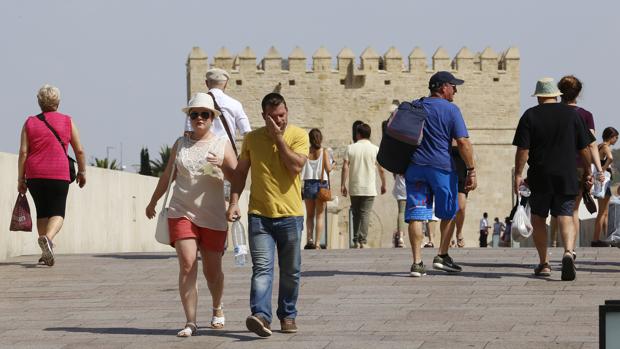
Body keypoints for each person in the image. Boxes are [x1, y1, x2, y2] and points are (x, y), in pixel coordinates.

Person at [146, 93, 237, 336]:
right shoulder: (180, 144)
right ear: (189, 117)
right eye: (194, 114)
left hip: (213, 215)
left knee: (212, 271)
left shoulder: (222, 144)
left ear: (211, 118)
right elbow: (167, 176)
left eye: (204, 114)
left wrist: (223, 165)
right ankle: (190, 321)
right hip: (181, 211)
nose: (199, 118)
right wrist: (153, 201)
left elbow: (237, 177)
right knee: (187, 265)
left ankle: (217, 307)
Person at [226, 92, 309, 337]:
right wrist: (233, 202)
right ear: (263, 116)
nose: (278, 121)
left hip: (291, 215)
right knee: (262, 268)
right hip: (259, 215)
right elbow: (240, 173)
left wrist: (279, 139)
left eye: (282, 115)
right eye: (273, 117)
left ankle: (288, 315)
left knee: (291, 270)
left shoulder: (298, 135)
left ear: (287, 113)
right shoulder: (251, 139)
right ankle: (261, 315)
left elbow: (295, 166)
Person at [513, 77, 603, 281]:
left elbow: (523, 150)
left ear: (538, 97)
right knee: (565, 214)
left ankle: (544, 263)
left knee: (538, 217)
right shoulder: (573, 116)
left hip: (540, 175)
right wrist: (588, 172)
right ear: (556, 94)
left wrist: (519, 174)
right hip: (567, 173)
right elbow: (585, 148)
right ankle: (568, 252)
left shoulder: (530, 116)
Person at [405, 71, 477, 277]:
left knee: (416, 215)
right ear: (444, 87)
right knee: (449, 211)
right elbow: (462, 142)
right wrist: (471, 169)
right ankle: (442, 255)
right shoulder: (451, 110)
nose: (455, 90)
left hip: (416, 167)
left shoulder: (416, 105)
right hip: (442, 168)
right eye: (453, 86)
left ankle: (417, 263)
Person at [17, 84, 86, 266]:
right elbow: (79, 151)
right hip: (58, 173)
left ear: (39, 102)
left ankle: (45, 251)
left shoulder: (30, 122)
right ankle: (48, 239)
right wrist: (82, 171)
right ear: (58, 102)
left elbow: (23, 152)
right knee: (57, 212)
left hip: (35, 174)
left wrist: (20, 178)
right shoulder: (67, 121)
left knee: (42, 212)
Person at [557, 76, 603, 253]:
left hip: (554, 165)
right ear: (578, 93)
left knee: (556, 210)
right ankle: (570, 250)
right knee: (573, 210)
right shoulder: (585, 115)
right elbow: (591, 144)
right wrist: (596, 170)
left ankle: (547, 256)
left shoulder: (553, 112)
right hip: (577, 166)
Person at [341, 123, 387, 248]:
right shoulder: (375, 149)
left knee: (355, 213)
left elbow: (345, 167)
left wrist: (342, 185)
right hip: (369, 187)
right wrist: (384, 184)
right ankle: (363, 241)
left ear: (358, 134)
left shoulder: (350, 148)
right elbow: (381, 169)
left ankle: (355, 240)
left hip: (354, 186)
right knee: (365, 213)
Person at [301, 128, 332, 249]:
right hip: (321, 185)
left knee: (309, 215)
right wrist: (333, 164)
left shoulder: (306, 151)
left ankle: (309, 239)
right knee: (319, 215)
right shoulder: (324, 151)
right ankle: (318, 243)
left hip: (308, 184)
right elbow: (328, 169)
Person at [592, 127, 619, 246]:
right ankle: (595, 239)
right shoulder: (605, 147)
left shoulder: (598, 146)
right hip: (604, 182)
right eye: (616, 138)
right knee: (602, 213)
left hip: (600, 182)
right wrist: (603, 169)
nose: (617, 140)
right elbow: (611, 157)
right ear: (611, 137)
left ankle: (607, 238)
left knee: (604, 212)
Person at [451, 143, 468, 247]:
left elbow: (469, 151)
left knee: (461, 207)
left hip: (461, 174)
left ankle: (459, 232)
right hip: (446, 173)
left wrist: (473, 173)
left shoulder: (461, 133)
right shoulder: (443, 133)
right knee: (449, 208)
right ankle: (449, 236)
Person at [392, 174, 407, 248]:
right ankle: (420, 238)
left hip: (401, 187)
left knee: (401, 212)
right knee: (416, 213)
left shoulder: (398, 161)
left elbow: (394, 174)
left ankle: (400, 237)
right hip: (413, 187)